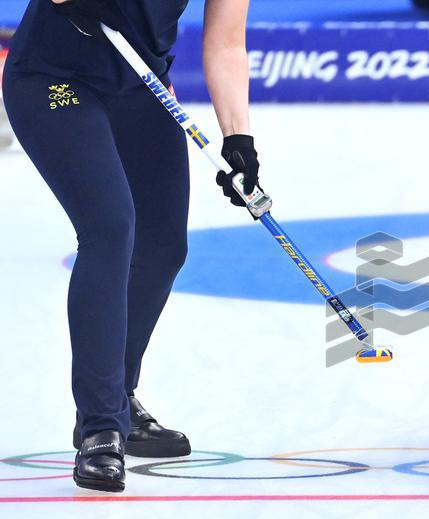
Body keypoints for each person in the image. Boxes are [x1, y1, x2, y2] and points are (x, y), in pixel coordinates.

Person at [3, 0, 263, 492]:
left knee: (163, 246)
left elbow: (227, 42)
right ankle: (101, 426)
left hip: (140, 85)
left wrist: (239, 141)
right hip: (55, 80)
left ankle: (118, 396)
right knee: (109, 228)